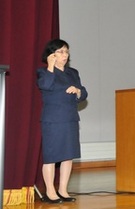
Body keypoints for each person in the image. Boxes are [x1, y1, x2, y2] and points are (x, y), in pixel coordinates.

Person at [37, 39, 88, 204]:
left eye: (66, 51)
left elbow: (84, 92)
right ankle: (50, 192)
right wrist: (51, 67)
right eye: (60, 51)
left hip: (70, 118)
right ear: (51, 54)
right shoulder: (44, 72)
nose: (64, 55)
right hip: (53, 120)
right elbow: (45, 85)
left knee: (68, 156)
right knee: (51, 157)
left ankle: (63, 190)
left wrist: (78, 91)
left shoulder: (72, 72)